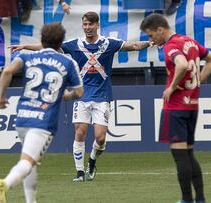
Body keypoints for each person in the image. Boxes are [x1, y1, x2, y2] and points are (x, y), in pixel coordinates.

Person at [9, 11, 152, 182]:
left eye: (90, 24)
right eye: (84, 24)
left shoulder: (108, 44)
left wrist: (150, 42)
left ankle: (91, 161)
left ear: (97, 25)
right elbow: (49, 47)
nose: (87, 27)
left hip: (102, 95)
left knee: (100, 138)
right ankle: (79, 172)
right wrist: (25, 46)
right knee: (80, 132)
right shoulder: (74, 44)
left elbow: (134, 46)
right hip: (82, 95)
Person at [0, 22, 83, 203]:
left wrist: (1, 97)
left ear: (42, 39)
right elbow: (79, 92)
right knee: (28, 162)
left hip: (23, 117)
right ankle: (6, 183)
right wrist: (64, 96)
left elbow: (7, 71)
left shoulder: (27, 56)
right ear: (60, 43)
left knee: (29, 161)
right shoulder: (68, 62)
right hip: (43, 121)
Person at [140, 13, 211, 203]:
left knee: (180, 156)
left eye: (151, 35)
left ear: (160, 29)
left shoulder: (171, 45)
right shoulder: (189, 41)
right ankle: (200, 199)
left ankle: (186, 199)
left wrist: (172, 87)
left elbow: (181, 64)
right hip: (192, 105)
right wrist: (198, 80)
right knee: (189, 153)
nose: (151, 40)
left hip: (176, 107)